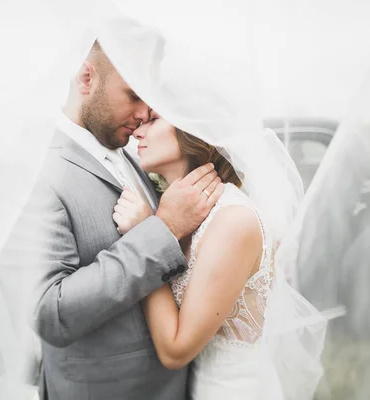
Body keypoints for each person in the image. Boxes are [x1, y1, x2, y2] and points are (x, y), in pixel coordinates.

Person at [30, 29, 224, 399]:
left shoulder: (129, 154)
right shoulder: (38, 174)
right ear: (87, 78)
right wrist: (163, 228)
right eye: (134, 94)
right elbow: (49, 312)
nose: (145, 113)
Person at [113, 109, 326, 399]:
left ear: (193, 128)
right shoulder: (178, 210)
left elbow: (175, 350)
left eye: (153, 120)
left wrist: (145, 236)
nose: (138, 132)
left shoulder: (233, 221)